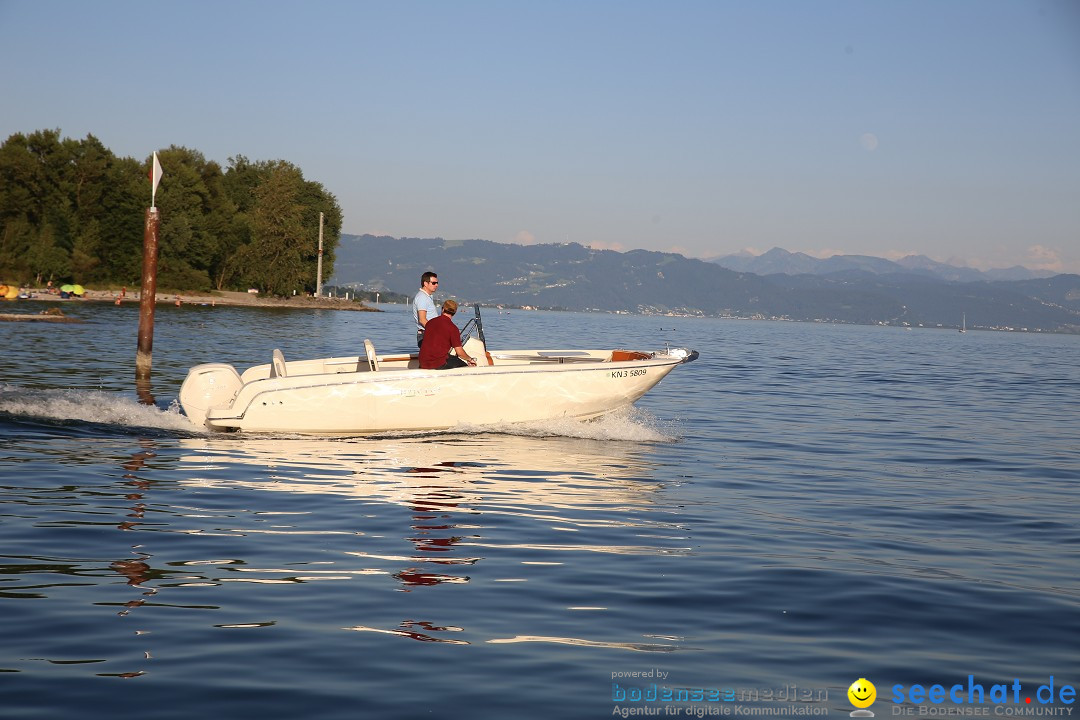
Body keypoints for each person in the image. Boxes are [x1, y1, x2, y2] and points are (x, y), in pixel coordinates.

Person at [419, 299, 477, 370]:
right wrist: (470, 359)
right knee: (465, 367)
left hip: (422, 362)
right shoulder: (453, 328)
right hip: (438, 364)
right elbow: (460, 353)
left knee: (450, 358)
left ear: (442, 309)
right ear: (454, 313)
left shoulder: (430, 323)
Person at [412, 271, 439, 348]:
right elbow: (422, 319)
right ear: (425, 284)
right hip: (427, 335)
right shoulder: (422, 298)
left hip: (428, 333)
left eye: (437, 283)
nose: (436, 285)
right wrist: (436, 332)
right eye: (433, 283)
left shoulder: (426, 297)